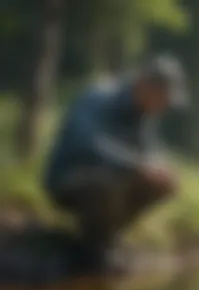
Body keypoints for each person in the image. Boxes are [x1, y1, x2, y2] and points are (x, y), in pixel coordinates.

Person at [44, 55, 189, 272]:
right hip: (68, 178)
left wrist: (163, 170)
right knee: (110, 179)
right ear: (145, 85)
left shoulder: (144, 117)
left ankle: (103, 236)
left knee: (160, 184)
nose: (163, 107)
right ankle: (91, 253)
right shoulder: (99, 97)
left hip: (108, 180)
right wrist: (137, 166)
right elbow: (87, 144)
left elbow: (152, 152)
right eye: (162, 99)